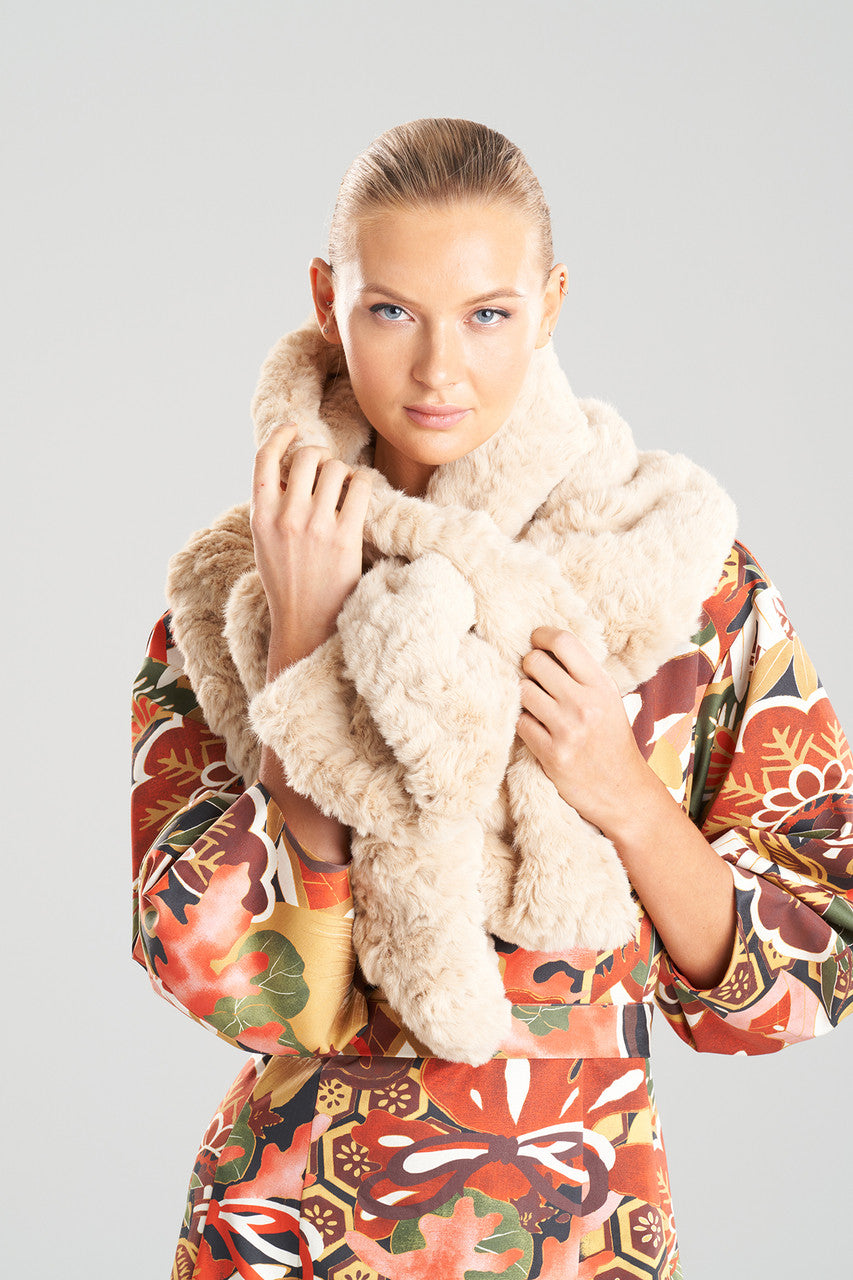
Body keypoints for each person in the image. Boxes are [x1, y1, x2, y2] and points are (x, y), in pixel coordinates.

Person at [131, 118, 853, 1280]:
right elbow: (237, 985)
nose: (438, 370)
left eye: (486, 314)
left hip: (581, 1236)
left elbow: (806, 977)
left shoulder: (677, 581)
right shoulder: (236, 592)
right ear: (326, 300)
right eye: (391, 310)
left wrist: (625, 795)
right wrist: (303, 651)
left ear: (551, 303)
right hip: (287, 1233)